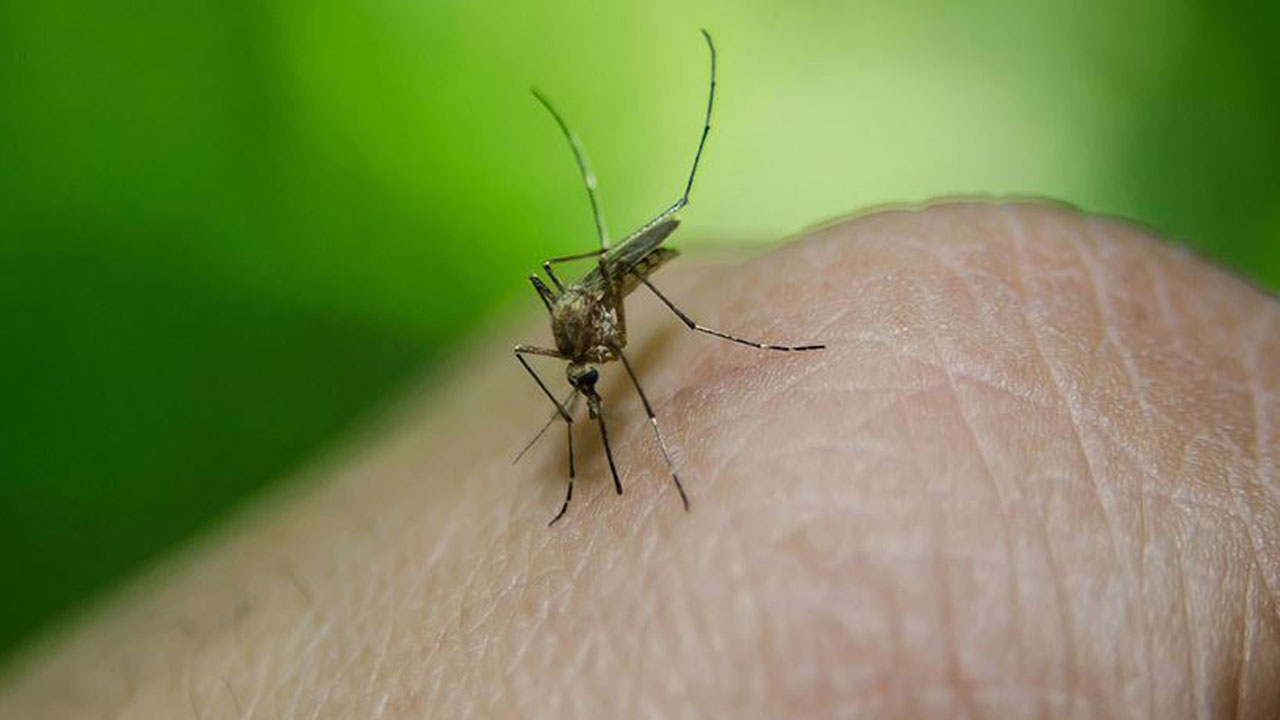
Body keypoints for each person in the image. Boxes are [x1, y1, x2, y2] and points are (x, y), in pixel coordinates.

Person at [1, 202, 1276, 718]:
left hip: (620, 284)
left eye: (584, 361)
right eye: (578, 367)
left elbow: (594, 326)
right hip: (587, 310)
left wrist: (623, 372)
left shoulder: (605, 320)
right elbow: (556, 352)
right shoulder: (564, 353)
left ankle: (713, 359)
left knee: (668, 336)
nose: (581, 364)